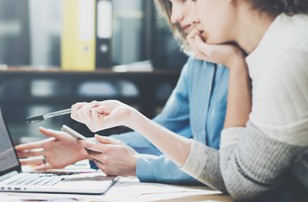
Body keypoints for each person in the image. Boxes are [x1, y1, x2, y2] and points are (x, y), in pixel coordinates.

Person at [71, 0, 308, 202]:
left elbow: (240, 182)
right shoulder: (278, 44)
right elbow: (234, 169)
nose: (176, 15)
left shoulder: (292, 55)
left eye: (187, 0)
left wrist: (235, 66)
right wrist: (128, 119)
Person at [16, 0, 229, 184]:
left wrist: (139, 165)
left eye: (183, 0)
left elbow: (225, 168)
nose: (174, 16)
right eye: (171, 4)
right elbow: (162, 132)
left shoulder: (244, 63)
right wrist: (87, 148)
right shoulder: (197, 62)